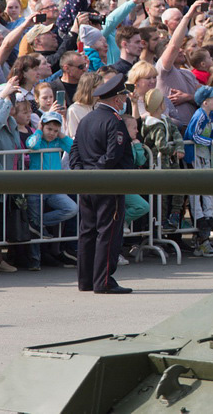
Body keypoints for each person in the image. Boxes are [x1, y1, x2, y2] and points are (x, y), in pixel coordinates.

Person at [70, 74, 134, 294]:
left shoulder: (87, 119)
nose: (125, 100)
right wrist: (96, 175)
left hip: (88, 184)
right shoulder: (113, 121)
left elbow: (75, 150)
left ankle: (86, 280)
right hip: (107, 184)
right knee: (108, 232)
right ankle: (104, 281)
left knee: (88, 231)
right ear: (117, 99)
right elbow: (113, 155)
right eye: (123, 96)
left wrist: (82, 175)